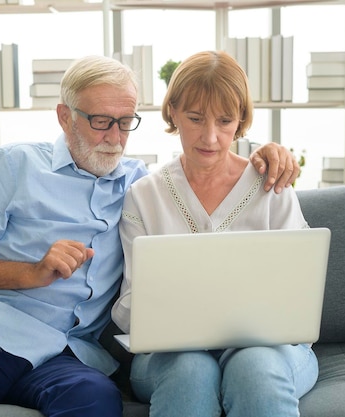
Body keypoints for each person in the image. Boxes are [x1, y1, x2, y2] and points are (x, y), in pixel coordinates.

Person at [0, 54, 300, 417]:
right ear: (64, 116)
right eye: (100, 122)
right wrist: (31, 272)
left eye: (125, 123)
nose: (114, 138)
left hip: (64, 352)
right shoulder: (17, 164)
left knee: (96, 402)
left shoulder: (137, 183)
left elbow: (212, 154)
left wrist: (268, 151)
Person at [111, 50, 317, 417]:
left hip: (271, 354)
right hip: (169, 357)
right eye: (195, 118)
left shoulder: (272, 184)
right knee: (190, 370)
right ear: (172, 111)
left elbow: (299, 297)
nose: (210, 137)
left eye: (225, 121)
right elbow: (129, 310)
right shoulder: (144, 196)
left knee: (254, 369)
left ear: (240, 121)